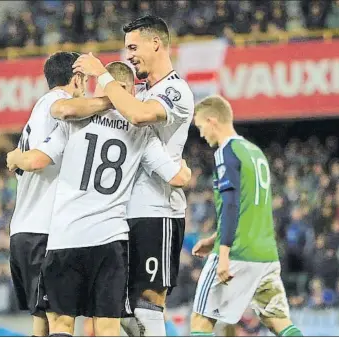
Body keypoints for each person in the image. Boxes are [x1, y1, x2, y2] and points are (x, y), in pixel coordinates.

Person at [6, 61, 192, 337]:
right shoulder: (141, 131)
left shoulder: (75, 121)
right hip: (110, 240)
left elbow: (38, 159)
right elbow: (177, 177)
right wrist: (185, 169)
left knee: (61, 324)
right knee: (107, 326)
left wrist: (14, 157)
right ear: (130, 90)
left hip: (65, 237)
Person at [72, 15, 195, 336]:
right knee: (115, 307)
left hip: (157, 210)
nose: (129, 55)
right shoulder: (137, 90)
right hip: (119, 212)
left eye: (133, 46)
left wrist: (102, 75)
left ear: (156, 43)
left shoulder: (176, 90)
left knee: (147, 304)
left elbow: (140, 116)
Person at [8, 51, 115, 337]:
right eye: (86, 79)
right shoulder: (54, 104)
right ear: (77, 77)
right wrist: (113, 100)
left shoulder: (38, 111)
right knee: (60, 321)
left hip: (25, 229)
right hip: (43, 231)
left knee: (42, 322)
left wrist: (15, 157)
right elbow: (41, 156)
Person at [190, 95, 303, 337]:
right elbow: (249, 206)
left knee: (201, 321)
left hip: (238, 253)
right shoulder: (255, 152)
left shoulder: (225, 152)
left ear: (212, 121)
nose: (200, 135)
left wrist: (223, 253)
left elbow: (230, 205)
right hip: (266, 255)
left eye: (200, 127)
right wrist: (213, 238)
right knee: (280, 323)